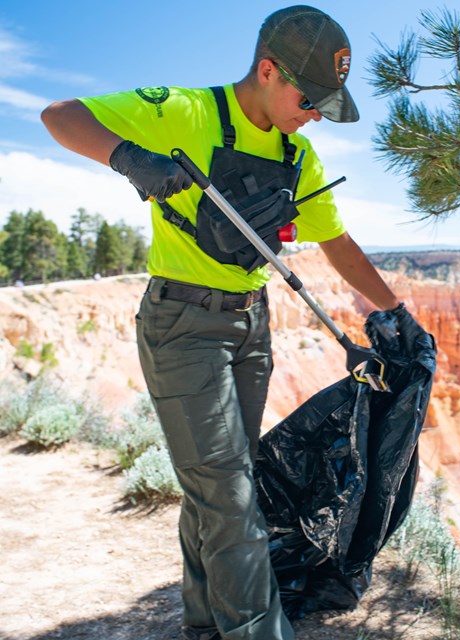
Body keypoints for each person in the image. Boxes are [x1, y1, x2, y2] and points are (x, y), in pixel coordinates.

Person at [41, 6, 402, 640]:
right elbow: (60, 117)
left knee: (219, 487)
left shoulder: (298, 155)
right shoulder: (185, 110)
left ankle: (206, 625)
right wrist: (130, 157)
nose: (315, 114)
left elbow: (339, 245)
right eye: (309, 98)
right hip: (181, 326)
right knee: (229, 495)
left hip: (249, 331)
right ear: (268, 71)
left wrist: (396, 312)